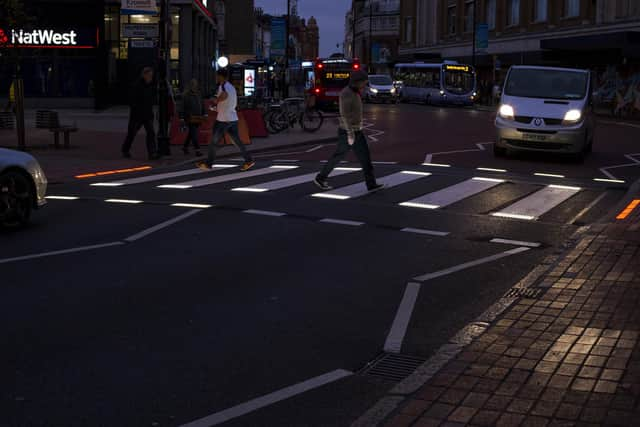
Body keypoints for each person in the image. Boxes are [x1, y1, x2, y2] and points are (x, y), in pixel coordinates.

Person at [314, 70, 383, 192]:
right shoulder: (346, 93)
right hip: (348, 131)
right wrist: (350, 133)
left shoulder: (355, 92)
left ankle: (371, 184)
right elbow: (344, 114)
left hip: (357, 131)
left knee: (365, 158)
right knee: (339, 156)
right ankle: (320, 177)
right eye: (364, 82)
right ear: (357, 82)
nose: (364, 85)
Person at [197, 69, 254, 171]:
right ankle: (248, 160)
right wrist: (216, 107)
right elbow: (228, 101)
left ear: (220, 76)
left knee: (214, 142)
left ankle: (208, 164)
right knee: (237, 141)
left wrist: (215, 101)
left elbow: (224, 95)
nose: (216, 78)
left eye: (217, 76)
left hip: (223, 119)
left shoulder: (223, 86)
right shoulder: (231, 87)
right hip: (232, 118)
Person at [121, 67, 159, 160]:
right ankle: (125, 149)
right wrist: (137, 109)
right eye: (149, 76)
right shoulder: (136, 86)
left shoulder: (150, 86)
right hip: (137, 115)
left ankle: (152, 153)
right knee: (132, 133)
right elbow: (132, 101)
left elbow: (151, 100)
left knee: (151, 133)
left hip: (147, 114)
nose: (151, 78)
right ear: (144, 75)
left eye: (152, 76)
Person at [181, 78, 203, 157]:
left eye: (195, 84)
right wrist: (182, 117)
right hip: (189, 117)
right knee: (194, 134)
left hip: (198, 117)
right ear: (190, 85)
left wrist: (204, 113)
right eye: (193, 84)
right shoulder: (186, 95)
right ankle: (197, 150)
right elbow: (183, 107)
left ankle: (185, 147)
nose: (194, 86)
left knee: (191, 133)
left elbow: (201, 104)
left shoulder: (198, 94)